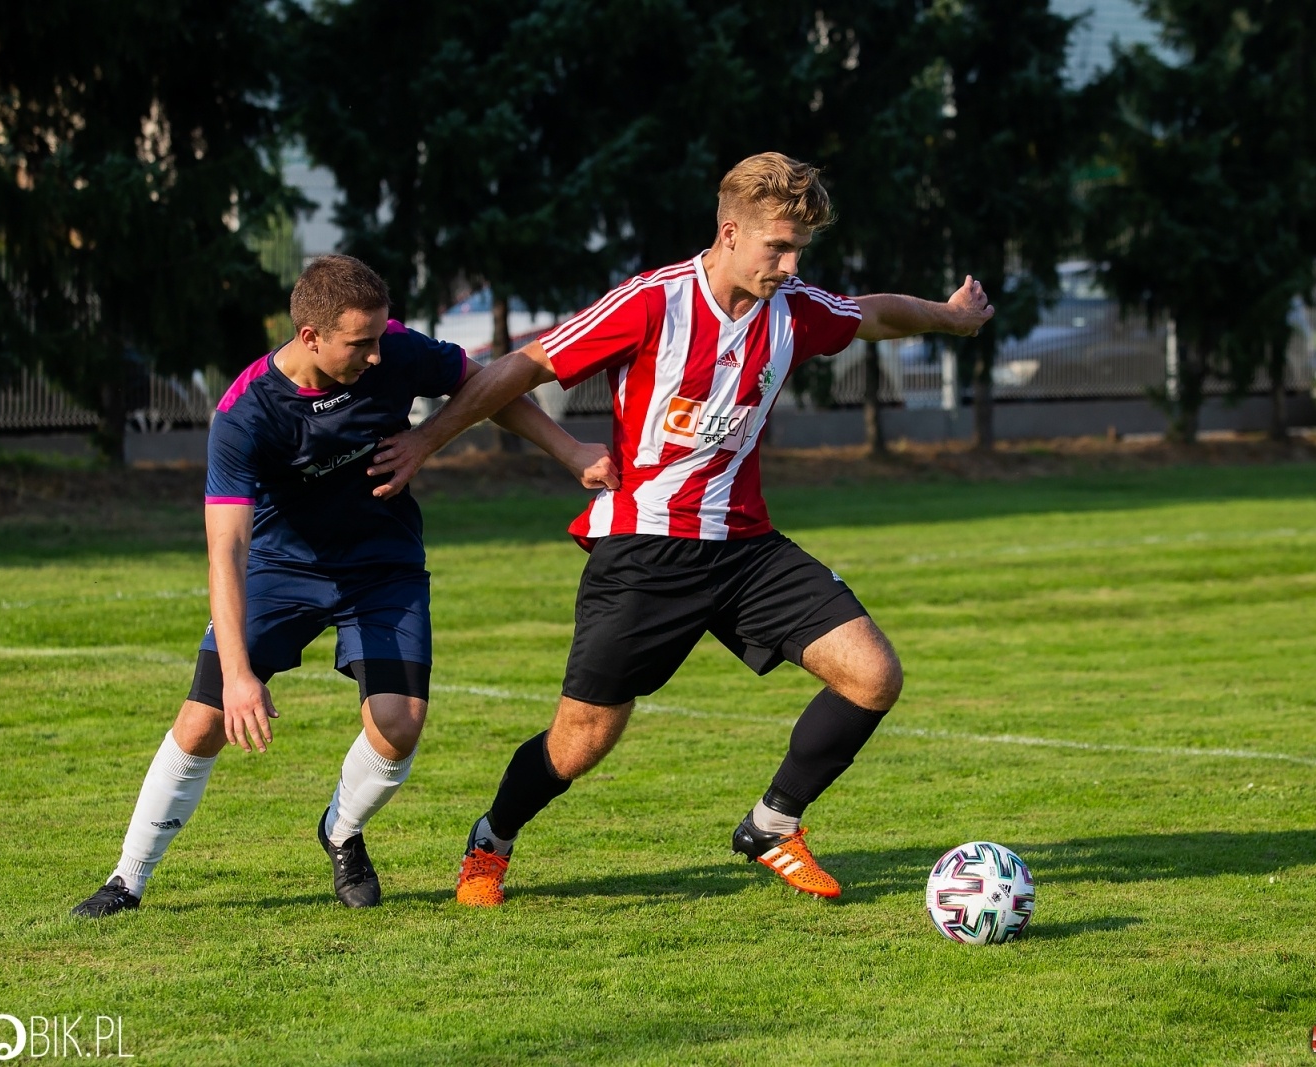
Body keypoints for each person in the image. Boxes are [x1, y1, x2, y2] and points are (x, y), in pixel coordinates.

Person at [368, 152, 994, 905]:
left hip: (746, 547)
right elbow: (519, 368)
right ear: (730, 232)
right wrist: (425, 442)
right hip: (645, 550)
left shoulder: (793, 308)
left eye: (800, 250)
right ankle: (492, 838)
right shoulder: (652, 302)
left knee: (872, 674)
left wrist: (951, 318)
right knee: (581, 742)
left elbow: (874, 312)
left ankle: (772, 822)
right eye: (779, 248)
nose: (791, 265)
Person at [70, 254, 616, 916]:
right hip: (279, 568)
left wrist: (565, 450)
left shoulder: (393, 350)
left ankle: (341, 829)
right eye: (361, 343)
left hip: (382, 565)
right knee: (204, 718)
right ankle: (126, 880)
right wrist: (241, 676)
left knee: (399, 724)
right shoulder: (246, 414)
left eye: (381, 337)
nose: (378, 357)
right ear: (310, 337)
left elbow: (489, 384)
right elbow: (227, 548)